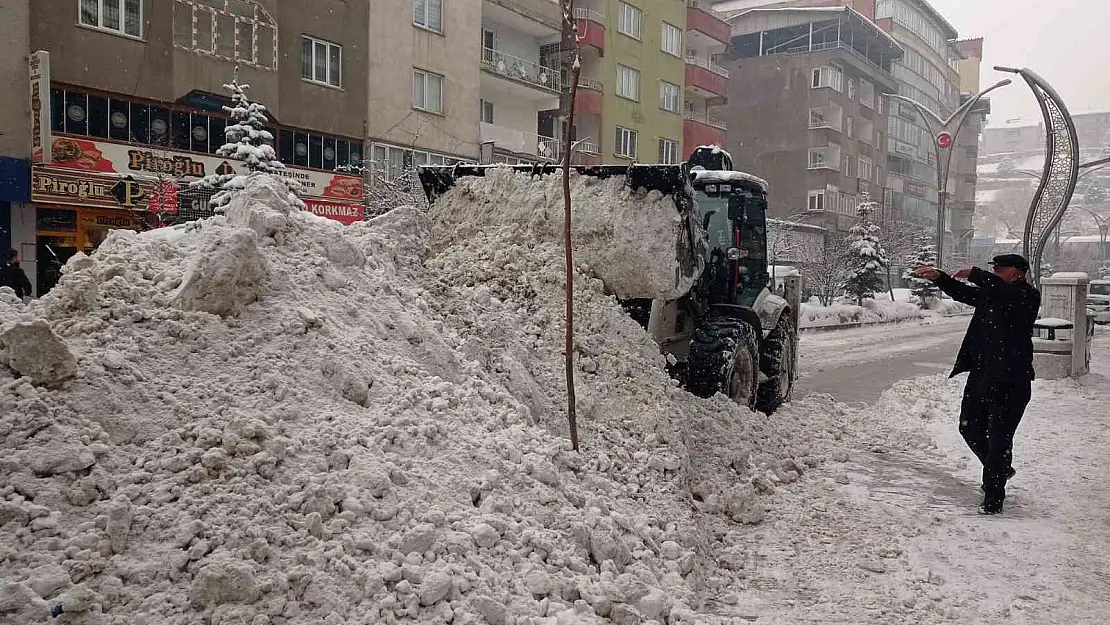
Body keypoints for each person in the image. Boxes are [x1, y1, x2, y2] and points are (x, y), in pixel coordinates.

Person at [912, 254, 1040, 515]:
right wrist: (941, 278)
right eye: (994, 269)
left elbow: (1002, 292)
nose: (995, 273)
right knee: (968, 427)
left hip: (1011, 379)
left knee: (999, 438)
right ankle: (1001, 469)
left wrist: (976, 273)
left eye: (1000, 269)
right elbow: (963, 293)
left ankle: (993, 497)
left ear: (1018, 272)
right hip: (982, 374)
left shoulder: (1026, 296)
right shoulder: (993, 293)